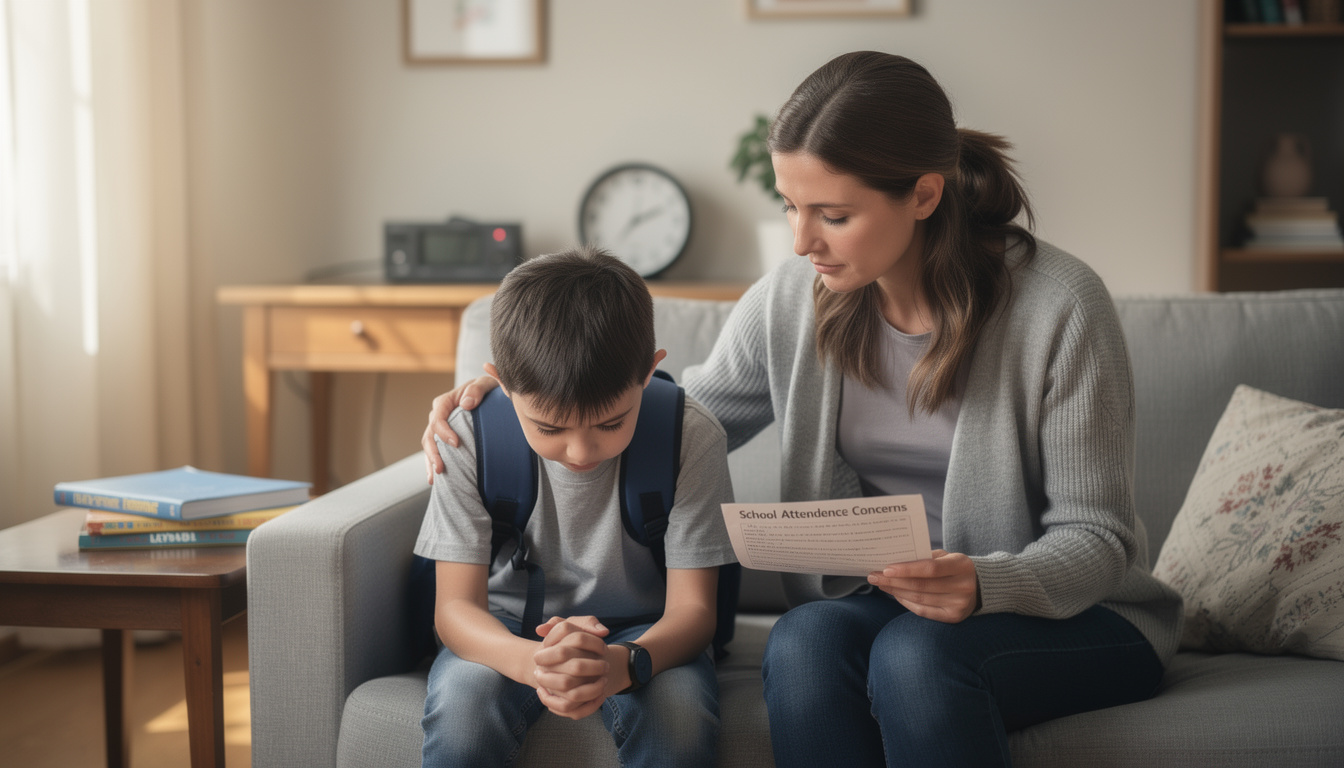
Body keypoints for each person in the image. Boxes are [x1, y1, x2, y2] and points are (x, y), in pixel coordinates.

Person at [423, 52, 1183, 768]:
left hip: (1073, 617)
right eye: (790, 206)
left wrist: (984, 584)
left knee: (915, 658)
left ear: (924, 194)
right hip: (894, 606)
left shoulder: (1059, 307)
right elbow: (667, 417)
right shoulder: (795, 298)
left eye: (833, 214)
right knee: (804, 643)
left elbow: (1098, 539)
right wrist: (503, 404)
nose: (801, 241)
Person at [414, 246, 736, 768]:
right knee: (463, 715)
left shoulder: (690, 436)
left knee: (678, 723)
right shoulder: (466, 435)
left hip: (648, 631)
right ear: (502, 382)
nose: (581, 452)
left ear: (649, 372)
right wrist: (533, 662)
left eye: (611, 423)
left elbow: (694, 612)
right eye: (549, 427)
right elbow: (455, 609)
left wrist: (622, 664)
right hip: (506, 629)